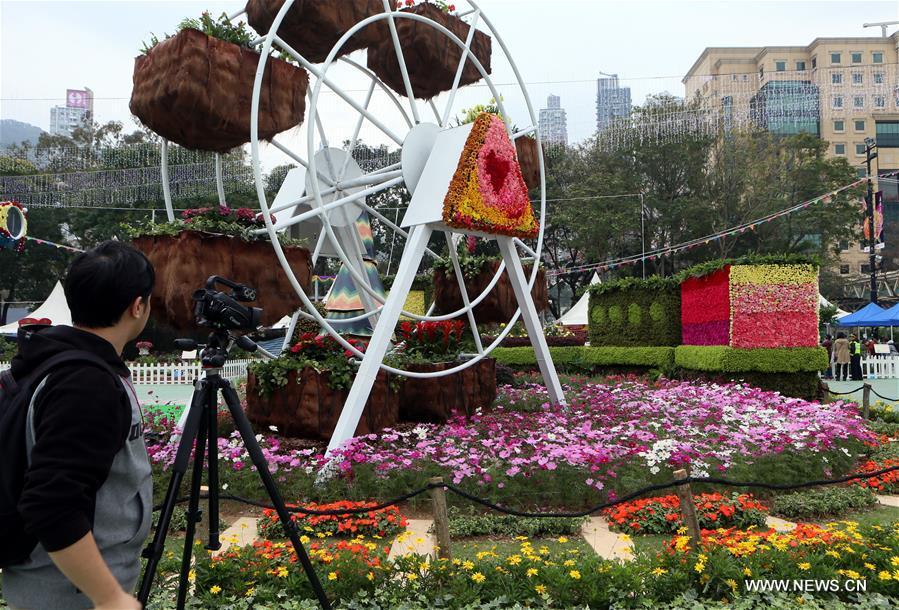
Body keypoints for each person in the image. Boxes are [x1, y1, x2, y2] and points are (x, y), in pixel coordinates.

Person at [1, 241, 154, 610]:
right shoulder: (86, 383)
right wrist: (110, 597)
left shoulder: (51, 362)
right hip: (69, 593)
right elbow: (53, 503)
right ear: (137, 306)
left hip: (52, 584)